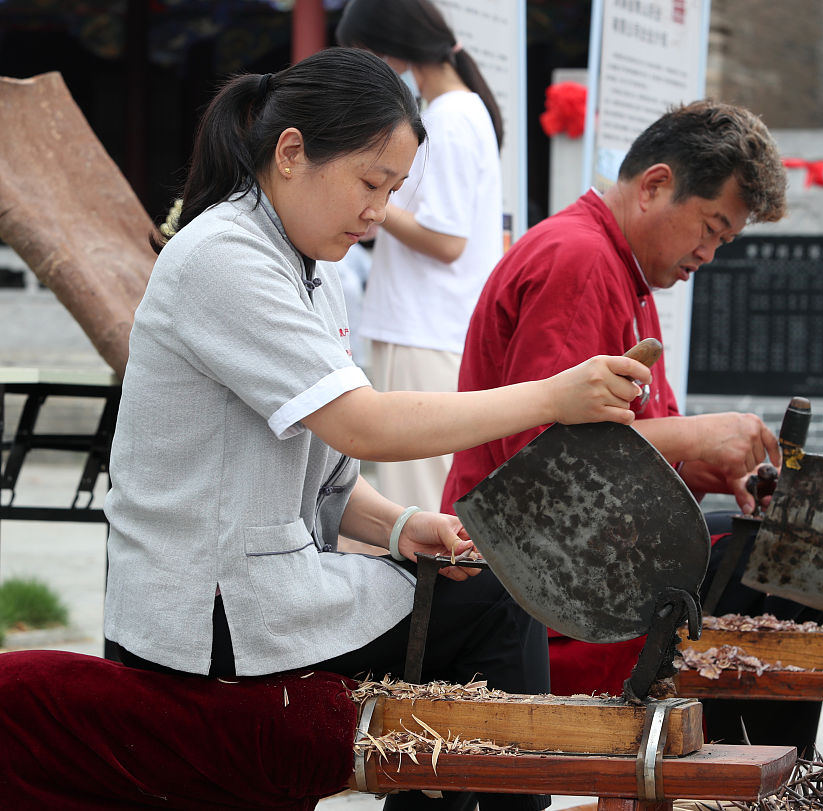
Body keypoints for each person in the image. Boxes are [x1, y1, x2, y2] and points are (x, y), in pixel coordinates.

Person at [102, 47, 649, 811]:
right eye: (370, 183)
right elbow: (362, 424)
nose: (378, 211)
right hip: (205, 608)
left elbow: (324, 473)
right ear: (291, 152)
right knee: (498, 607)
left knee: (490, 596)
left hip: (264, 589)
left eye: (392, 190)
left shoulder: (311, 269)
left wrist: (400, 526)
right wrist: (553, 396)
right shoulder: (223, 255)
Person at [440, 100, 823, 757]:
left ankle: (751, 782)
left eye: (723, 241)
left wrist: (714, 465)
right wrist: (692, 437)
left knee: (786, 545)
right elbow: (538, 466)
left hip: (589, 558)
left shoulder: (625, 273)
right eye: (710, 228)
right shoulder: (580, 259)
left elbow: (629, 448)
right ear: (655, 185)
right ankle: (754, 786)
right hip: (539, 577)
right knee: (789, 562)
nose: (708, 253)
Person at [336, 0, 505, 513]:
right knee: (430, 506)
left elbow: (446, 239)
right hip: (429, 329)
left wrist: (368, 197)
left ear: (388, 46)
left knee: (422, 512)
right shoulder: (456, 111)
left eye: (365, 54)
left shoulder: (449, 119)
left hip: (424, 331)